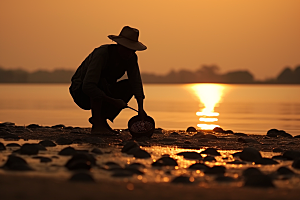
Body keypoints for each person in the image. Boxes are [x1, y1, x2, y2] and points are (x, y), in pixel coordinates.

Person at [69, 26, 147, 135]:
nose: (129, 53)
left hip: (105, 89)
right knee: (98, 82)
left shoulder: (131, 58)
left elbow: (136, 82)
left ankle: (102, 120)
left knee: (129, 86)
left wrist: (141, 109)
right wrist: (113, 101)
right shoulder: (102, 54)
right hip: (81, 92)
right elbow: (88, 86)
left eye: (132, 50)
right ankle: (97, 124)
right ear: (119, 45)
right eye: (127, 49)